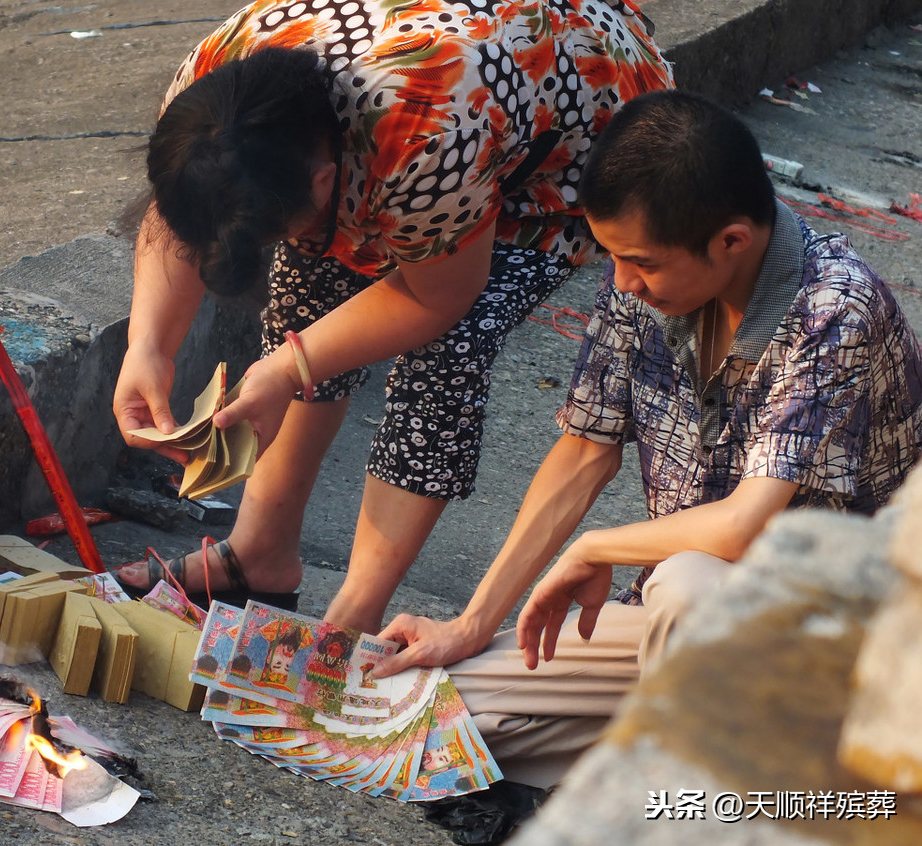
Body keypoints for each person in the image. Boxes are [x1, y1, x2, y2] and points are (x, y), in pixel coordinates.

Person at [373, 89, 922, 838]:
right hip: (681, 635)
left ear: (730, 240)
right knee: (418, 716)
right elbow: (583, 451)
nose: (623, 281)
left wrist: (597, 546)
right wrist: (473, 623)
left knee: (690, 579)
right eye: (614, 258)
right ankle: (693, 779)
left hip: (834, 660)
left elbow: (740, 530)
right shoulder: (646, 279)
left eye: (640, 263)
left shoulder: (836, 309)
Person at [110, 0, 674, 632]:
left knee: (448, 349)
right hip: (454, 106)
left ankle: (350, 619)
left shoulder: (427, 132)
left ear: (325, 181)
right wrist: (148, 348)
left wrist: (287, 368)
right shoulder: (213, 89)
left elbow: (439, 297)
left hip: (565, 147)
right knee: (308, 288)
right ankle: (260, 557)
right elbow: (180, 211)